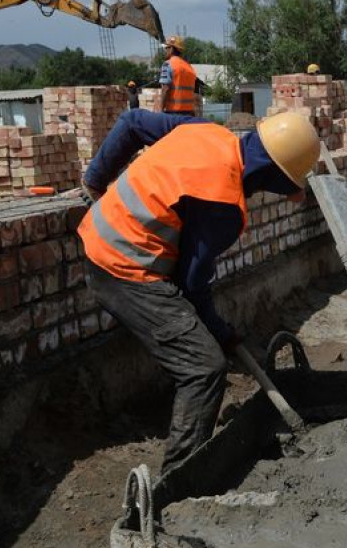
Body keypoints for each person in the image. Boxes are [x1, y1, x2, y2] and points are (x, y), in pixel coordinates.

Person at [77, 109, 320, 474]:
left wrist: (95, 181)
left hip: (98, 233)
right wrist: (223, 336)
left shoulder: (204, 131)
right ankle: (178, 480)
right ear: (274, 177)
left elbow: (131, 123)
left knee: (199, 345)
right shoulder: (223, 204)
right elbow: (192, 288)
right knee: (203, 367)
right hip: (123, 268)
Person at [155, 35, 197, 115]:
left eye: (166, 48)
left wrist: (160, 109)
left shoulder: (168, 64)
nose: (165, 51)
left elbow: (166, 89)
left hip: (174, 112)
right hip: (189, 112)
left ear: (171, 49)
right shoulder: (189, 67)